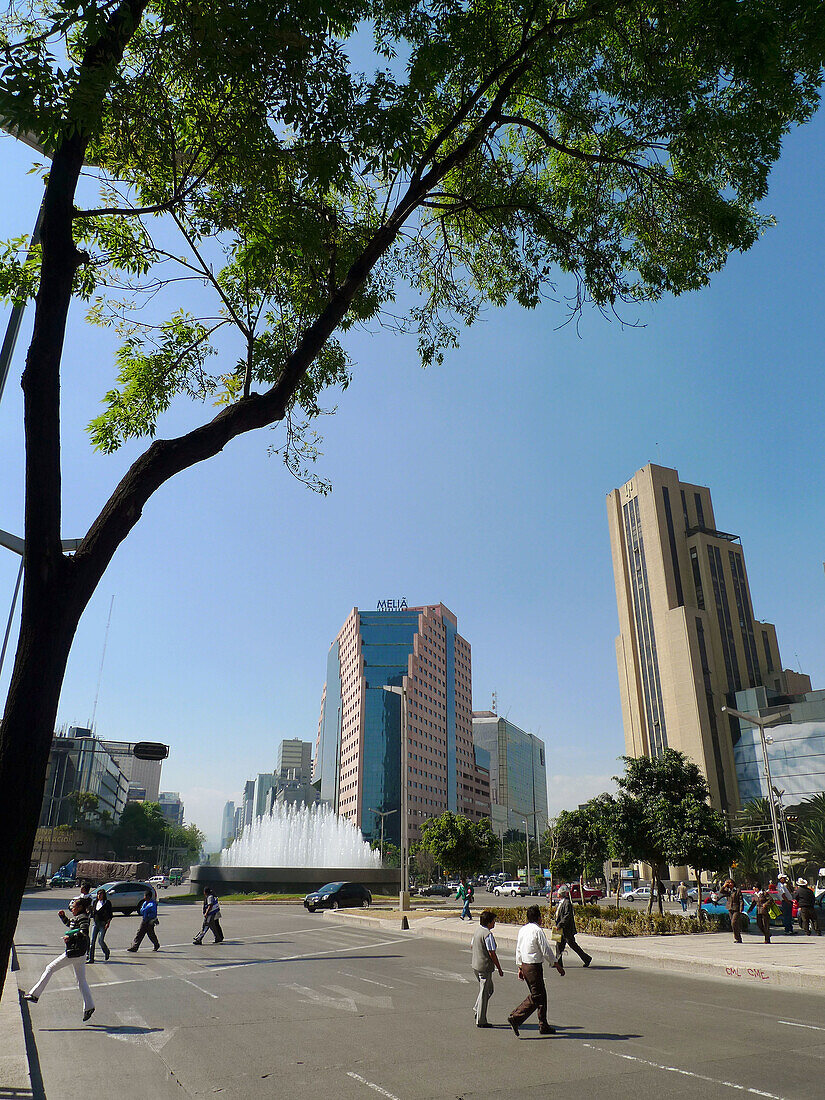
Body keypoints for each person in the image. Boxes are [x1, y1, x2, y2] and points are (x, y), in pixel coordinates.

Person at [23, 896, 95, 1021]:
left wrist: (70, 937)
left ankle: (34, 995)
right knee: (81, 980)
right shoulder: (78, 917)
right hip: (80, 954)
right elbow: (71, 925)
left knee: (50, 968)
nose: (72, 909)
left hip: (74, 952)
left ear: (80, 908)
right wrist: (63, 917)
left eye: (73, 907)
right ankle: (89, 1006)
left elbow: (83, 932)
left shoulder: (83, 917)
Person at [507, 904, 564, 1038]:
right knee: (537, 996)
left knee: (541, 996)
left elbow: (519, 949)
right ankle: (516, 1017)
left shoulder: (523, 930)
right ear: (538, 918)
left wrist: (520, 967)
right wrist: (557, 964)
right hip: (533, 966)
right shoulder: (537, 931)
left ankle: (543, 1025)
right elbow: (546, 950)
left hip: (526, 965)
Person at [471, 910, 503, 1027]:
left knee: (488, 990)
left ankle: (477, 1008)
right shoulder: (488, 935)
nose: (494, 923)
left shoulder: (477, 931)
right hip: (484, 967)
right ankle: (481, 1020)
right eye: (493, 921)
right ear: (489, 922)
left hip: (476, 965)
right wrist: (499, 968)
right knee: (485, 992)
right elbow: (491, 953)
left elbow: (472, 945)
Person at [553, 886, 592, 967]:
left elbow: (567, 916)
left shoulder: (567, 903)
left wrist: (560, 924)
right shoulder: (561, 903)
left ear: (561, 894)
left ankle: (586, 958)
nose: (557, 894)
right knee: (559, 946)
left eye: (558, 893)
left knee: (572, 945)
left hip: (567, 930)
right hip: (561, 930)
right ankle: (558, 963)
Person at [88, 887, 113, 963]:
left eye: (100, 894)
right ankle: (91, 958)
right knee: (92, 941)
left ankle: (106, 951)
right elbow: (93, 912)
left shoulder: (107, 903)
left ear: (103, 895)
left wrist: (108, 923)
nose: (99, 895)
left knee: (100, 940)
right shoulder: (95, 902)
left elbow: (110, 914)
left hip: (103, 924)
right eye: (98, 894)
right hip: (95, 923)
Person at [721, 879, 744, 943]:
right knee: (733, 924)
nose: (730, 884)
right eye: (729, 883)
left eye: (731, 883)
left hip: (736, 908)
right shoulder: (727, 890)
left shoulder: (737, 890)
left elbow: (741, 900)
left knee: (734, 922)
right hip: (730, 908)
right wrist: (724, 885)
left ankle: (738, 937)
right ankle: (737, 938)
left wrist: (741, 908)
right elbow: (721, 891)